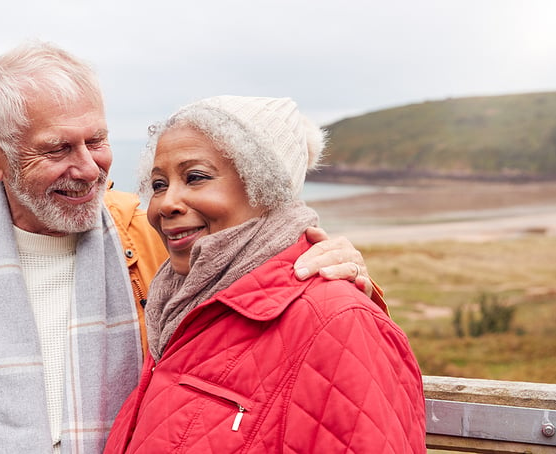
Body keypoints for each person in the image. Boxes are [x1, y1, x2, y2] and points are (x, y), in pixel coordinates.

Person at [0, 42, 383, 453]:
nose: (90, 168)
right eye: (57, 148)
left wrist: (342, 267)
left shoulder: (153, 229)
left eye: (96, 141)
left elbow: (259, 271)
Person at [103, 95, 426, 453]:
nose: (164, 204)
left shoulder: (338, 321)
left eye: (195, 177)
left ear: (265, 185)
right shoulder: (181, 304)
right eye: (159, 184)